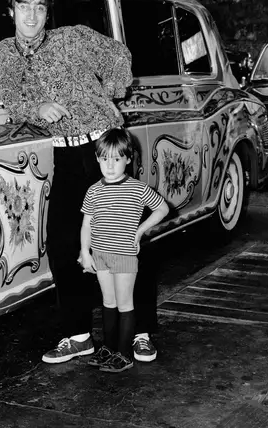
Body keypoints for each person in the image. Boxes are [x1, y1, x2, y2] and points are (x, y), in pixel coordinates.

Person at [0, 0, 158, 365]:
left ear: (49, 12)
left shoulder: (75, 38)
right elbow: (13, 102)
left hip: (104, 150)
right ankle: (78, 334)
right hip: (65, 154)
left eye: (40, 8)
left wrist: (111, 93)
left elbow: (120, 56)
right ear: (11, 9)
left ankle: (142, 332)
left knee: (128, 238)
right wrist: (37, 107)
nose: (32, 16)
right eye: (24, 6)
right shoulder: (2, 54)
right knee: (64, 244)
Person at [81, 128, 169, 372]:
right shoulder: (93, 190)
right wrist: (85, 252)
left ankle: (124, 353)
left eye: (117, 159)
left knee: (124, 303)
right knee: (107, 302)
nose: (110, 165)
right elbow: (86, 223)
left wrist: (140, 231)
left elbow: (162, 208)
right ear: (97, 159)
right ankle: (108, 348)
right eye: (105, 159)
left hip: (123, 255)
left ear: (128, 159)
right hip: (100, 253)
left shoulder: (136, 189)